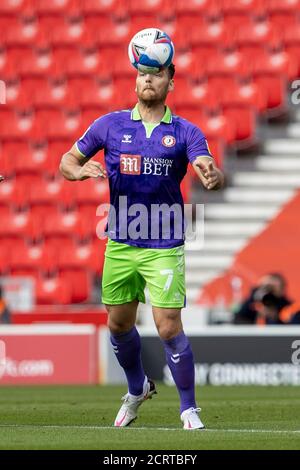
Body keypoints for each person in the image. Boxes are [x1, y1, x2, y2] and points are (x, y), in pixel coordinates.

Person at [60, 63, 224, 430]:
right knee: (118, 324)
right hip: (120, 241)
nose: (147, 79)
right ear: (136, 81)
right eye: (142, 74)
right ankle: (137, 389)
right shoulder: (110, 125)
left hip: (164, 243)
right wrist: (80, 171)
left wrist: (211, 174)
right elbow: (67, 161)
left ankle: (188, 409)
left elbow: (207, 164)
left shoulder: (185, 131)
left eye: (156, 74)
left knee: (167, 327)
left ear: (170, 82)